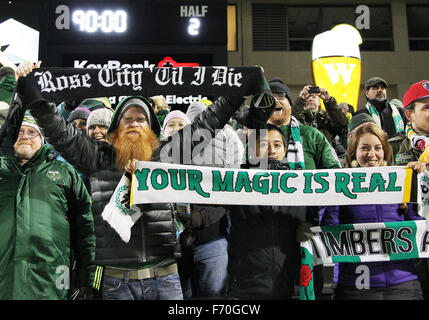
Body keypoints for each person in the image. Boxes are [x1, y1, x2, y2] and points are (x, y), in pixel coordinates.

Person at [15, 62, 250, 300]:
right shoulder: (96, 158)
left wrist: (238, 91)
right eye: (127, 119)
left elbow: (208, 123)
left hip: (165, 277)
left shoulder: (167, 155)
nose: (134, 123)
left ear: (151, 130)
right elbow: (59, 132)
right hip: (116, 282)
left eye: (141, 119)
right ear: (115, 130)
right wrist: (34, 94)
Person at [319, 122, 424, 300]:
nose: (372, 154)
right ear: (354, 152)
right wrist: (332, 195)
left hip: (404, 284)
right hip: (355, 287)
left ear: (385, 151)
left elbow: (421, 228)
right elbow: (328, 230)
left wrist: (420, 181)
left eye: (377, 148)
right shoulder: (341, 187)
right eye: (365, 148)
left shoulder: (403, 183)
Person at [0, 113, 96, 299]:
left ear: (42, 138)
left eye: (31, 132)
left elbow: (86, 228)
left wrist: (88, 277)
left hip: (53, 280)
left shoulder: (65, 173)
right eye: (19, 131)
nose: (25, 136)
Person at [227, 122, 310, 299]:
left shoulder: (303, 185)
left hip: (288, 287)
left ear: (285, 150)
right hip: (244, 289)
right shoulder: (235, 184)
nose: (271, 150)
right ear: (252, 150)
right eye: (263, 144)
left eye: (277, 145)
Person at [160, 109, 230, 299]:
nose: (176, 130)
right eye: (171, 125)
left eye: (181, 125)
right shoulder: (152, 163)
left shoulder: (212, 156)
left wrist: (202, 217)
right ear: (163, 131)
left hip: (210, 242)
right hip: (169, 249)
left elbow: (225, 197)